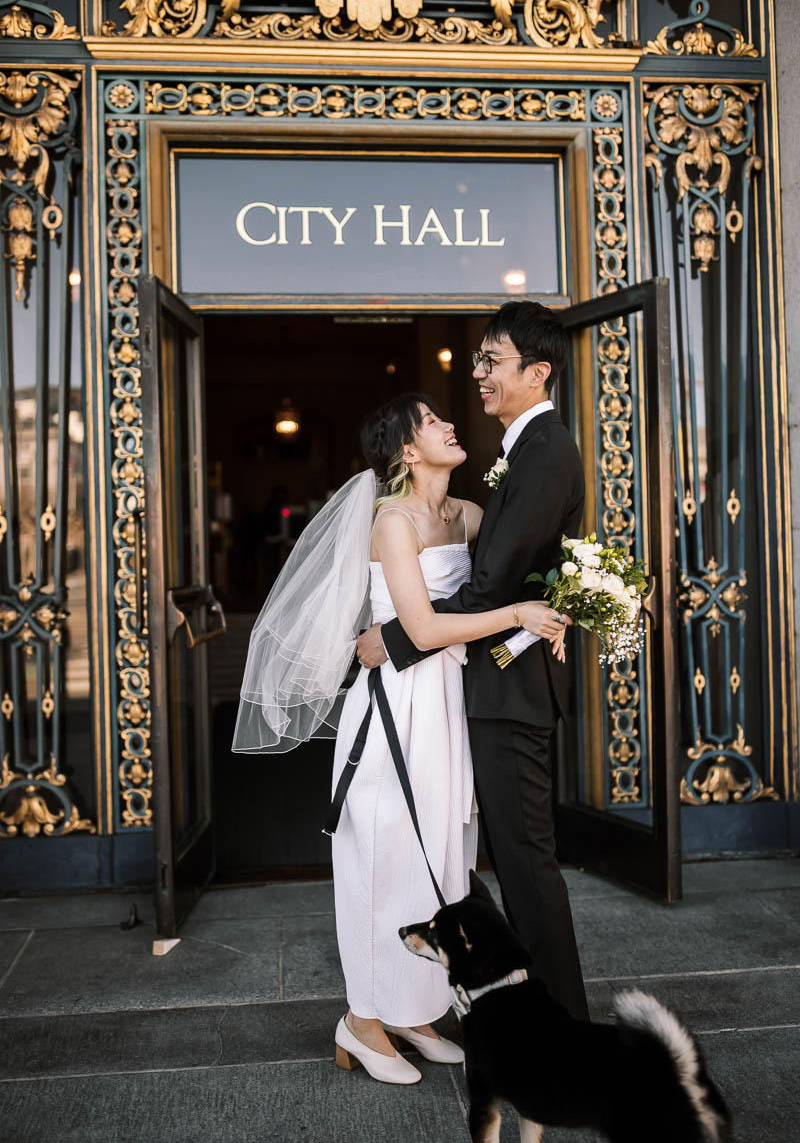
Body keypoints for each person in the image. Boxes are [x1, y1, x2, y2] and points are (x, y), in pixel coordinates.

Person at [232, 390, 565, 1086]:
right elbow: (421, 631)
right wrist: (519, 614)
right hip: (396, 712)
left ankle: (414, 1013)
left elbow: (524, 554)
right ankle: (361, 1022)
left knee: (438, 864)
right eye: (433, 422)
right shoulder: (393, 520)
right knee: (382, 868)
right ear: (408, 451)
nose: (449, 424)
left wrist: (570, 594)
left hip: (447, 708)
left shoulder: (466, 513)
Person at [358, 301, 589, 1025]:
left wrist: (393, 638)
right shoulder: (518, 458)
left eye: (491, 361)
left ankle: (564, 1029)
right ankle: (413, 1009)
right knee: (466, 856)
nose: (479, 374)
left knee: (524, 866)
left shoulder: (544, 454)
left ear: (537, 371)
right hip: (472, 689)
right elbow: (522, 575)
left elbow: (491, 587)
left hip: (506, 689)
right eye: (481, 359)